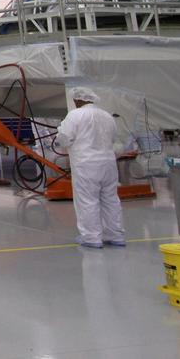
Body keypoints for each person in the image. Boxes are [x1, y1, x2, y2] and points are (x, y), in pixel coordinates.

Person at [56, 87, 126, 249]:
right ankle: (115, 235)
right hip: (108, 164)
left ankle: (91, 237)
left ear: (78, 100)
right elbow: (113, 138)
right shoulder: (107, 116)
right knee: (111, 199)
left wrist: (60, 135)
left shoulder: (75, 115)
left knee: (87, 200)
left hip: (86, 165)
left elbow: (65, 139)